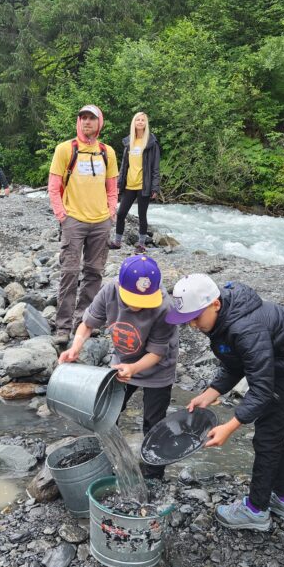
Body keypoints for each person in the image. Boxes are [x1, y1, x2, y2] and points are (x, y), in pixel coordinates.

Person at [166, 273, 284, 531]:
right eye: (187, 319)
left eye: (195, 317)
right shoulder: (223, 319)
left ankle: (256, 510)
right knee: (273, 434)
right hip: (278, 368)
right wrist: (210, 393)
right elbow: (236, 362)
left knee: (267, 436)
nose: (192, 325)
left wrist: (230, 426)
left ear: (215, 303)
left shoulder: (246, 327)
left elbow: (260, 389)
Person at [58, 254, 179, 479]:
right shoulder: (110, 292)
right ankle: (114, 460)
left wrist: (134, 369)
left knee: (154, 421)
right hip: (123, 360)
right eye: (133, 300)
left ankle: (154, 474)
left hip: (158, 368)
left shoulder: (165, 307)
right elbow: (87, 324)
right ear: (120, 286)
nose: (137, 307)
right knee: (106, 412)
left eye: (144, 302)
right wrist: (75, 347)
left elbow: (156, 353)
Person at [47, 104, 118, 344]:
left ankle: (84, 323)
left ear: (99, 123)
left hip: (101, 222)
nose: (87, 122)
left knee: (94, 273)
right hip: (73, 221)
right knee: (69, 273)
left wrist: (111, 214)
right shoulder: (65, 149)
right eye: (83, 118)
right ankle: (63, 327)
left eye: (92, 118)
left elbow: (112, 186)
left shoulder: (107, 152)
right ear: (79, 122)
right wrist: (62, 217)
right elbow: (54, 186)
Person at [111, 111, 160, 253]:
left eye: (142, 120)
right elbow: (123, 166)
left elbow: (155, 166)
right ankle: (117, 242)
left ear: (146, 124)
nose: (140, 122)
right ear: (134, 122)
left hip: (144, 185)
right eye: (137, 119)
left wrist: (155, 187)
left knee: (142, 215)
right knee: (121, 214)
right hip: (129, 185)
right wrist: (119, 184)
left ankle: (141, 244)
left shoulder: (151, 142)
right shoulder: (129, 142)